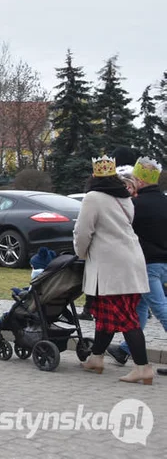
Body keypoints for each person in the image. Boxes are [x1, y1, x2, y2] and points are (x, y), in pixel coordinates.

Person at [75, 156, 154, 384]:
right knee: (106, 315)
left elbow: (83, 232)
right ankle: (96, 358)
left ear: (94, 177)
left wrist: (80, 253)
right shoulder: (124, 197)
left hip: (111, 267)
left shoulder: (93, 198)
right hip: (132, 262)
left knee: (126, 318)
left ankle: (143, 367)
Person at [108, 157, 167, 368]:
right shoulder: (164, 202)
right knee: (139, 307)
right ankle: (125, 350)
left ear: (140, 182)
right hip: (163, 264)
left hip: (146, 264)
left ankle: (126, 350)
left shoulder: (136, 205)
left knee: (161, 309)